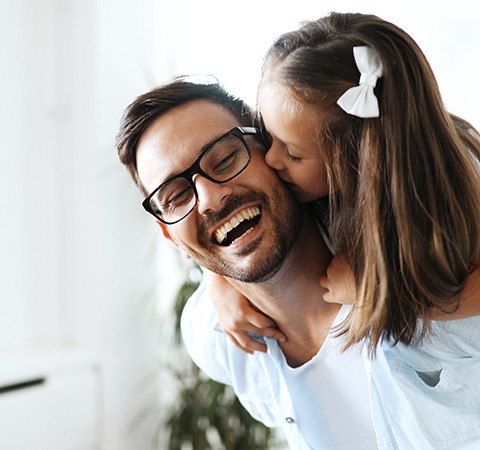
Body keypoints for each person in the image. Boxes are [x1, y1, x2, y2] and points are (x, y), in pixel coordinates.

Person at [210, 12, 480, 450]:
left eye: (293, 154)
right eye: (266, 134)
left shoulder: (454, 184)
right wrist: (219, 279)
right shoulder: (316, 187)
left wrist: (382, 292)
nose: (272, 161)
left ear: (356, 160)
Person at [115, 77, 378, 449]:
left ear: (274, 152)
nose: (208, 199)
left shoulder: (413, 263)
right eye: (176, 196)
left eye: (224, 159)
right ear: (172, 237)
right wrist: (215, 279)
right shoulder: (212, 338)